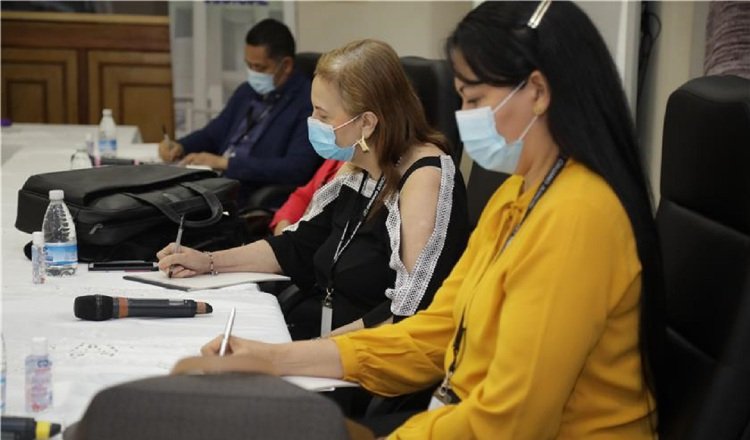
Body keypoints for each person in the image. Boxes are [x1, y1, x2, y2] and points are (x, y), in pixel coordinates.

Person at [171, 1, 667, 438]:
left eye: (473, 99)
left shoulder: (579, 217)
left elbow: (509, 422)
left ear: (536, 91)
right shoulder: (519, 195)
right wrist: (273, 359)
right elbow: (437, 331)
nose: (464, 113)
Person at [158, 39, 470, 341]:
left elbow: (410, 309)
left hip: (370, 363)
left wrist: (310, 354)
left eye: (322, 115)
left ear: (367, 124)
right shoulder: (361, 167)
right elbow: (297, 246)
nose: (312, 122)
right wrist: (208, 261)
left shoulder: (424, 180)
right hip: (327, 339)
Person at [159, 18, 321, 207]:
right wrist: (180, 146)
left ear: (285, 65)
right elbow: (213, 134)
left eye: (259, 67)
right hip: (216, 182)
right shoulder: (247, 91)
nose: (253, 74)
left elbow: (295, 168)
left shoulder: (308, 104)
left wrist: (227, 164)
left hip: (247, 192)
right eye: (249, 65)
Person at [270, 159, 344, 236]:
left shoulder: (353, 172)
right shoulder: (336, 157)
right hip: (299, 233)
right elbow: (304, 196)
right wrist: (284, 221)